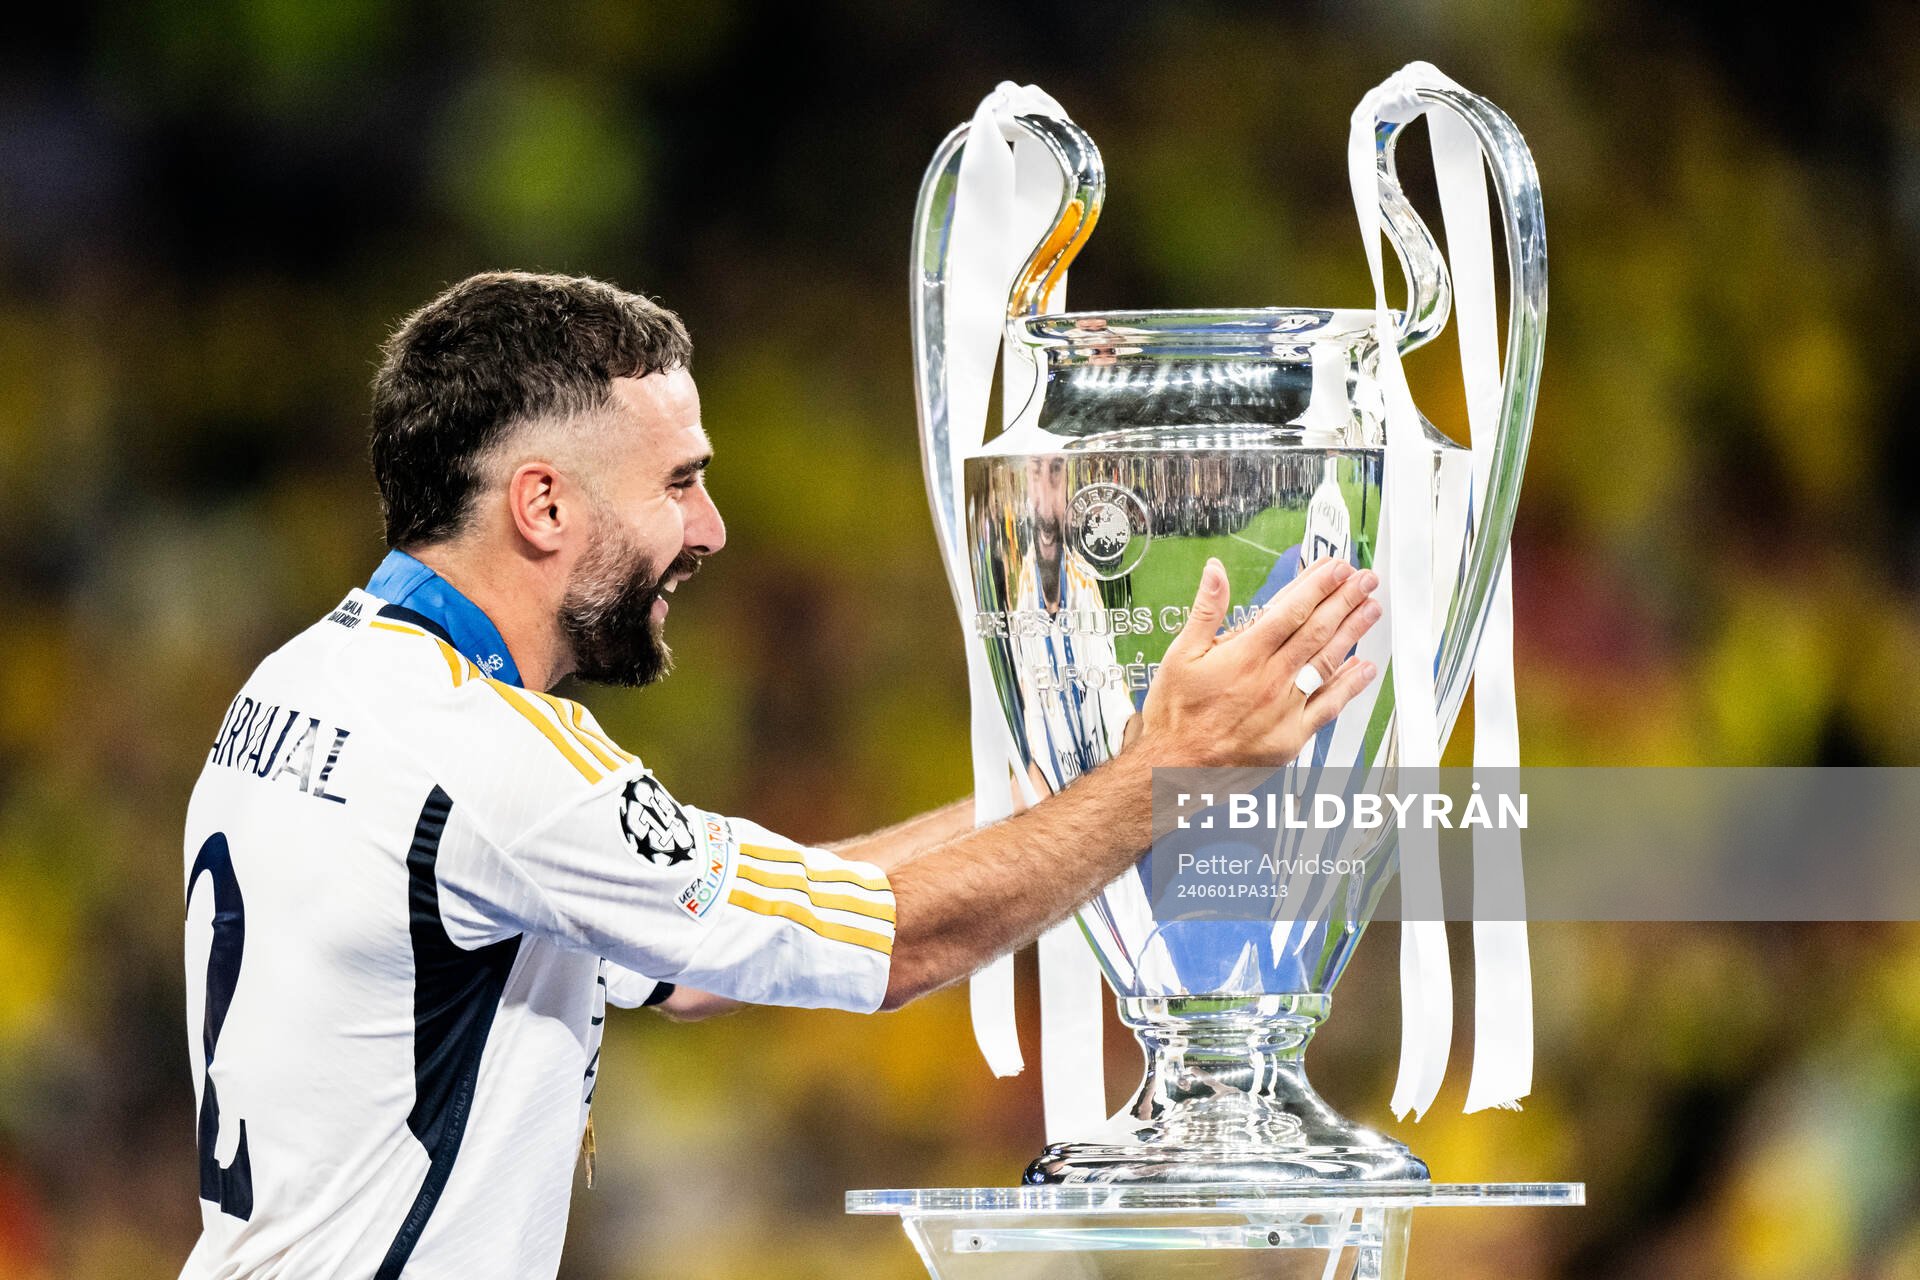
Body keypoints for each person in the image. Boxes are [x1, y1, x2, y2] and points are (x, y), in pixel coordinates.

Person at [179, 271, 1382, 1278]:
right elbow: (890, 943)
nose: (708, 530)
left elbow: (729, 942)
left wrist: (1084, 781)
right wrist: (1167, 772)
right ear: (541, 502)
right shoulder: (494, 757)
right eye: (679, 481)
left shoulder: (309, 685)